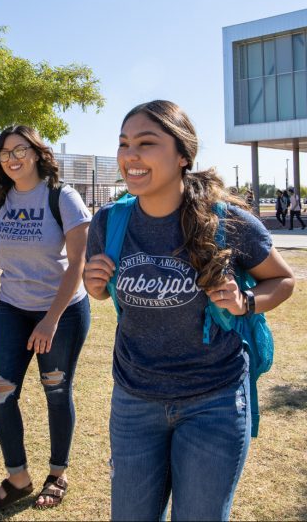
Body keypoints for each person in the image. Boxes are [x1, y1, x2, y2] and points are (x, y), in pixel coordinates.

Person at [83, 100, 295, 521]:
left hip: (213, 401)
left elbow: (283, 280)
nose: (131, 156)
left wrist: (244, 302)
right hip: (134, 399)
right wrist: (96, 287)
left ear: (183, 156)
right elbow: (108, 293)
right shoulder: (108, 222)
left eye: (146, 143)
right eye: (124, 144)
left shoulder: (226, 221)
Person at [0, 125, 92, 514]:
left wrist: (51, 320)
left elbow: (78, 263)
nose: (11, 158)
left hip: (62, 310)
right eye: (4, 153)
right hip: (13, 308)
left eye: (19, 149)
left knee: (56, 390)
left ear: (37, 153)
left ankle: (57, 473)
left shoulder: (63, 197)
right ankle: (18, 478)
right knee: (0, 393)